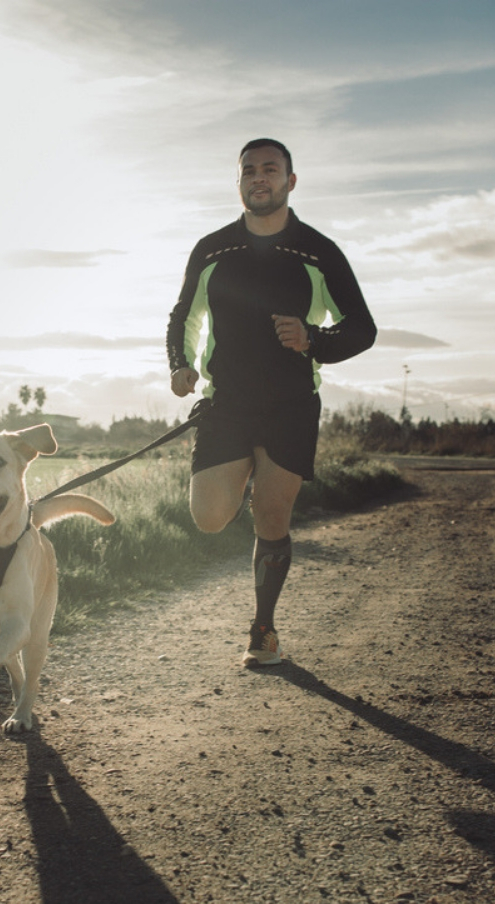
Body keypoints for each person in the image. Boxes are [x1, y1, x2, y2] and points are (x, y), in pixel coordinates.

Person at [166, 138, 377, 665]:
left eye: (270, 169)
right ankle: (243, 477)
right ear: (239, 182)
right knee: (211, 517)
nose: (259, 178)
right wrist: (181, 364)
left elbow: (362, 328)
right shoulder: (212, 249)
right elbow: (183, 317)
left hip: (291, 405)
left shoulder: (318, 252)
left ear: (290, 181)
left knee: (272, 516)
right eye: (249, 171)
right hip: (226, 404)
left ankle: (263, 629)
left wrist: (313, 339)